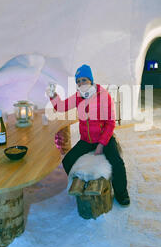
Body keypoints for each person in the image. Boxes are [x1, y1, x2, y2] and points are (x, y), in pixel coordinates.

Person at [47, 64, 130, 206]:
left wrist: (101, 144)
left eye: (84, 80)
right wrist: (53, 96)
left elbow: (110, 123)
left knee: (117, 162)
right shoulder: (79, 96)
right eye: (78, 81)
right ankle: (78, 186)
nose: (81, 84)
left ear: (91, 80)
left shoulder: (103, 95)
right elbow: (61, 107)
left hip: (105, 137)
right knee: (67, 161)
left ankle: (121, 193)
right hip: (86, 140)